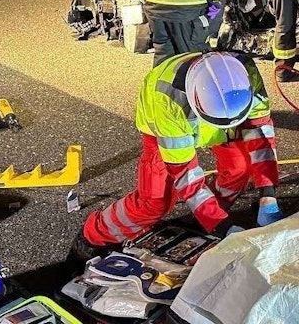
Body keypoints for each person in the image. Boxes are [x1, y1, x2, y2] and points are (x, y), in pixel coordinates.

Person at [74, 51, 283, 260]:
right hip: (165, 124)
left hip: (221, 117)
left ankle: (209, 215)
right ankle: (92, 236)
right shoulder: (167, 99)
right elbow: (185, 174)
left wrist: (267, 192)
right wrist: (222, 226)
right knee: (155, 201)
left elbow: (259, 132)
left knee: (239, 167)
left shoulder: (244, 72)